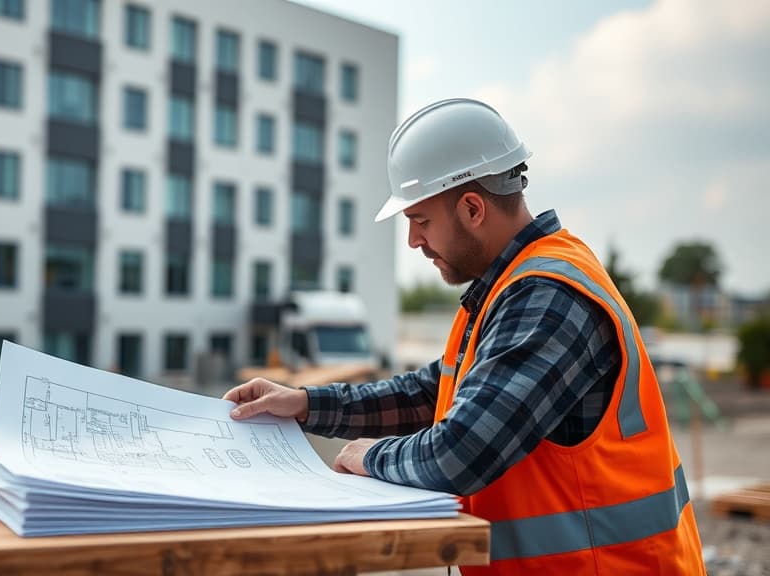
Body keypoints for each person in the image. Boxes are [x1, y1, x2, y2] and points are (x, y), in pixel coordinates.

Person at [224, 98, 704, 574]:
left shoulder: (546, 298)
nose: (414, 241)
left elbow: (461, 452)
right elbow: (433, 392)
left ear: (472, 208)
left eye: (420, 220)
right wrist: (306, 403)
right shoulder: (508, 288)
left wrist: (371, 456)